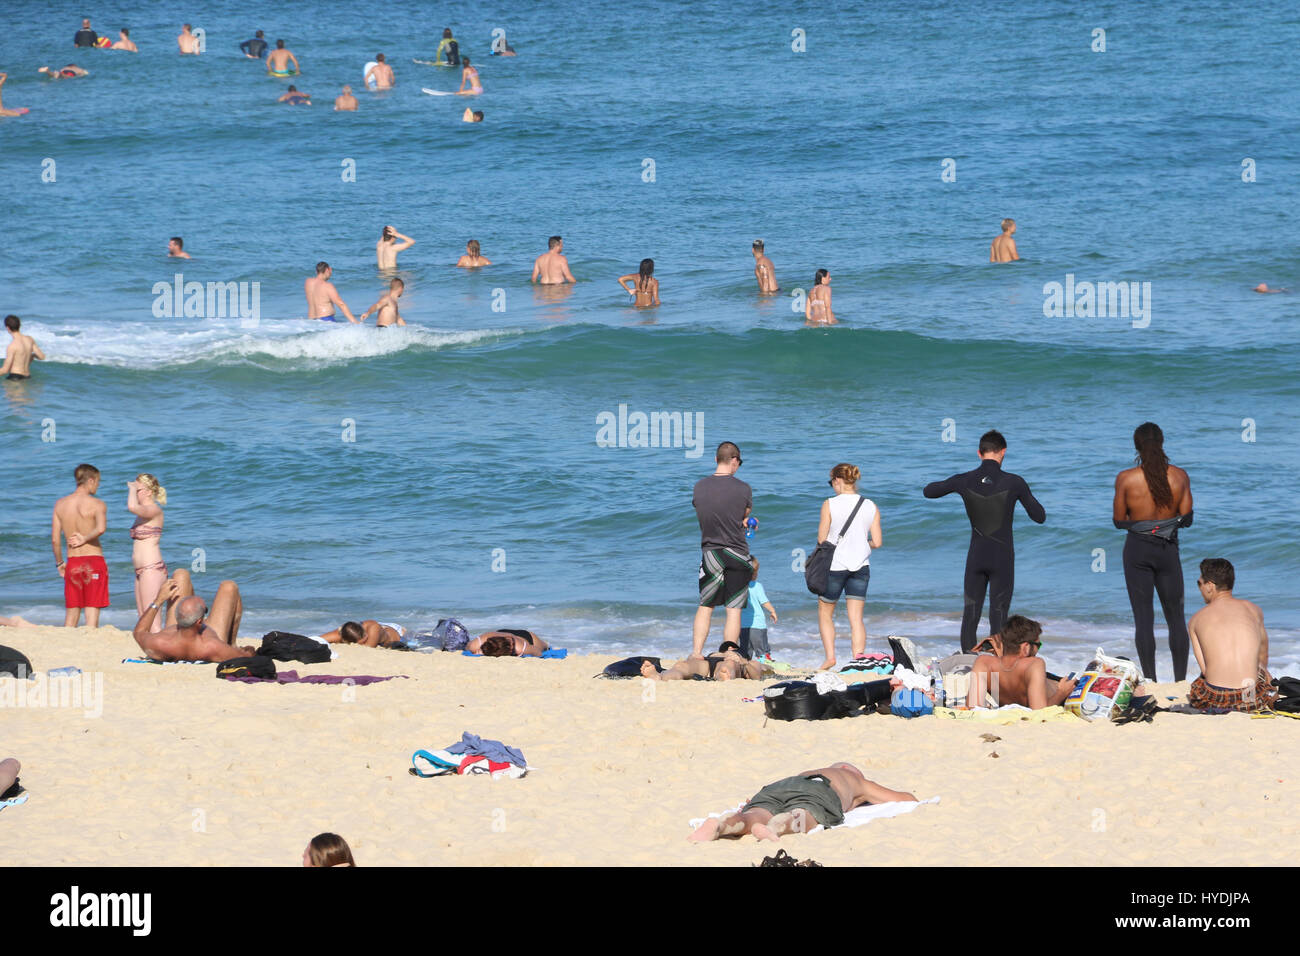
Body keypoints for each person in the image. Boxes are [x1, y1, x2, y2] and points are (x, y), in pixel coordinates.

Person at [923, 430, 1046, 653]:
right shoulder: (1014, 482)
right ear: (1004, 452)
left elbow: (929, 491)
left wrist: (954, 484)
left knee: (971, 612)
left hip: (976, 556)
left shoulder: (964, 480)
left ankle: (969, 663)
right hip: (1002, 558)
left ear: (979, 453)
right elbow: (1039, 516)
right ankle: (996, 665)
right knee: (998, 613)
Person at [1112, 422, 1193, 682]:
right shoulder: (1180, 476)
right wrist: (1165, 524)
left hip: (1137, 551)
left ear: (1136, 445)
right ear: (1162, 442)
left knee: (1143, 618)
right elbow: (1187, 518)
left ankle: (1150, 680)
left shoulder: (1126, 478)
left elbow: (1118, 521)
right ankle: (1180, 681)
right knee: (1176, 618)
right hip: (1168, 550)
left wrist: (1144, 524)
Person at [689, 763, 916, 843]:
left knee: (756, 813)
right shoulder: (856, 780)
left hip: (781, 785)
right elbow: (906, 799)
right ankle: (779, 825)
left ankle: (723, 824)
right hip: (818, 789)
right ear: (848, 769)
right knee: (804, 813)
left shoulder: (808, 770)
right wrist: (866, 787)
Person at [1187, 559, 1277, 712]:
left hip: (1216, 699)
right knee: (1261, 672)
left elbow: (1205, 670)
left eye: (1199, 583)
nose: (1199, 588)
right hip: (1251, 697)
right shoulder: (1254, 610)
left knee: (1198, 685)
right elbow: (1263, 656)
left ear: (1209, 586)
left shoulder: (1195, 620)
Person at [816, 463, 883, 669]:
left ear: (837, 480)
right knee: (856, 618)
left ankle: (830, 657)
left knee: (825, 613)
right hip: (861, 566)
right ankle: (858, 659)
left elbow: (821, 540)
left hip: (836, 566)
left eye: (831, 482)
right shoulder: (870, 505)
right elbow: (878, 542)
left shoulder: (830, 504)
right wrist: (863, 545)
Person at [691, 441, 752, 658]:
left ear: (716, 459)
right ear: (734, 460)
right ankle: (729, 654)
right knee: (733, 609)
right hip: (737, 552)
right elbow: (744, 515)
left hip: (711, 552)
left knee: (706, 605)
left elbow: (704, 511)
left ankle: (697, 653)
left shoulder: (699, 486)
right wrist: (745, 521)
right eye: (739, 462)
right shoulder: (743, 488)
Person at [132, 570, 254, 662]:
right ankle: (231, 643)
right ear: (200, 622)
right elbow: (246, 656)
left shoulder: (160, 643)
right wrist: (248, 650)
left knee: (180, 574)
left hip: (178, 638)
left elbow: (139, 632)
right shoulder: (214, 646)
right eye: (205, 610)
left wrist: (159, 600)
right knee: (229, 586)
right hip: (210, 639)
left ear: (177, 615)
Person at [968, 615, 1077, 709]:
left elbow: (973, 708)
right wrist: (1062, 693)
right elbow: (1040, 713)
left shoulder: (983, 663)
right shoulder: (1034, 664)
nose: (1038, 650)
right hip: (1062, 695)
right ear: (1026, 647)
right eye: (1038, 645)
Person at [52, 464, 109, 628]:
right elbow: (101, 528)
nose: (98, 485)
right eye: (98, 481)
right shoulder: (98, 504)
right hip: (94, 562)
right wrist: (84, 538)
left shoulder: (60, 504)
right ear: (90, 480)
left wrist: (60, 563)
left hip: (73, 563)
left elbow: (55, 540)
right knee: (91, 613)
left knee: (71, 612)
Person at [127, 474, 167, 634]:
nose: (136, 492)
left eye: (139, 489)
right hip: (140, 571)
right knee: (143, 618)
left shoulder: (154, 510)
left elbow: (132, 507)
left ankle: (162, 653)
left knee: (153, 621)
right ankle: (151, 652)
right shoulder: (142, 514)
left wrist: (131, 488)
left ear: (149, 491)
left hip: (152, 569)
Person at [642, 644, 764, 681]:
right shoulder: (716, 653)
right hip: (706, 661)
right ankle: (659, 676)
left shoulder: (743, 658)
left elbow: (756, 675)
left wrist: (744, 662)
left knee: (728, 665)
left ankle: (723, 676)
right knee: (681, 666)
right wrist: (692, 658)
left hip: (731, 663)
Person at [740, 557, 777, 661]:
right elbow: (764, 602)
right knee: (762, 650)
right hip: (757, 625)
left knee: (745, 652)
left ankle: (746, 668)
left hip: (742, 626)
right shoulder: (757, 586)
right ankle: (764, 664)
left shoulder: (739, 587)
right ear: (754, 573)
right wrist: (772, 611)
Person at [2, 315, 45, 380]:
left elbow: (5, 370)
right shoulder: (29, 339)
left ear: (8, 328)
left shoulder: (12, 346)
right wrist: (32, 356)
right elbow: (42, 357)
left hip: (15, 377)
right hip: (27, 377)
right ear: (19, 325)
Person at [319, 619, 406, 648]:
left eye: (365, 638)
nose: (365, 640)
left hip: (396, 631)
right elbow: (316, 640)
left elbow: (368, 648)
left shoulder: (373, 629)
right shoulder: (343, 632)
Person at [465, 629, 549, 657]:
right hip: (501, 632)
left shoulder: (519, 647)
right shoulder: (476, 643)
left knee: (544, 647)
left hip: (526, 636)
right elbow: (467, 646)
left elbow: (538, 652)